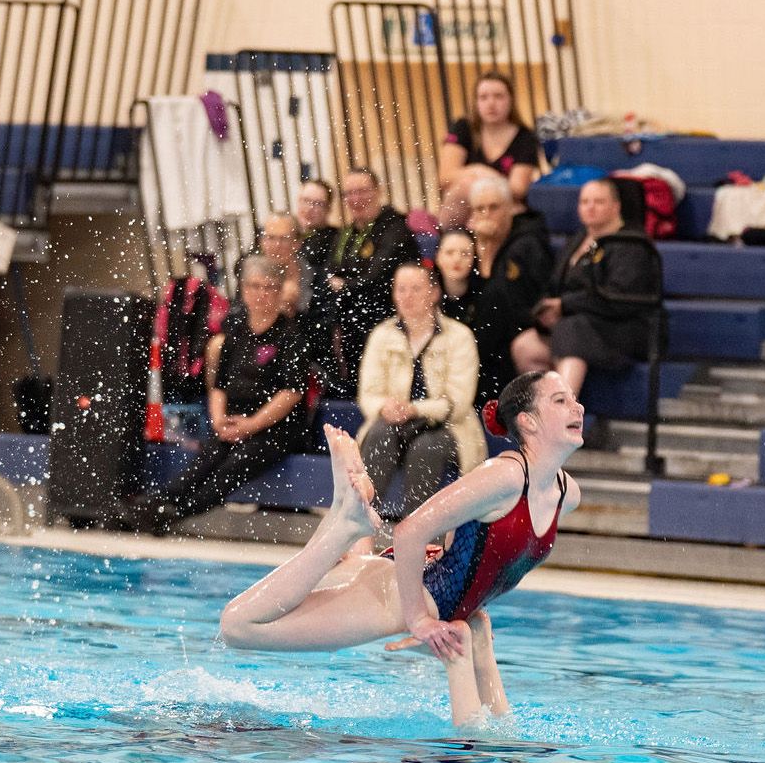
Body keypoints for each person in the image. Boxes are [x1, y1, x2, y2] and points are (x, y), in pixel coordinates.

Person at [220, 370, 585, 728]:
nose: (577, 407)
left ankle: (348, 526)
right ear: (528, 422)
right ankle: (344, 525)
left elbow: (480, 544)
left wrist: (471, 608)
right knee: (239, 627)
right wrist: (419, 620)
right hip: (407, 594)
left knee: (344, 574)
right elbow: (409, 531)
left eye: (573, 398)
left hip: (433, 586)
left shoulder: (565, 494)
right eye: (560, 400)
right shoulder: (503, 477)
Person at [116, 256, 307, 535]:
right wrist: (219, 421)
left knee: (233, 465)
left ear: (279, 293)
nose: (261, 294)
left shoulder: (291, 338)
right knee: (206, 460)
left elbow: (290, 394)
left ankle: (174, 514)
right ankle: (157, 503)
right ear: (243, 289)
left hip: (275, 429)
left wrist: (252, 425)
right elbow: (219, 386)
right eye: (255, 287)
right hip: (234, 422)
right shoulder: (236, 332)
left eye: (268, 288)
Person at [512, 178, 664, 399]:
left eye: (599, 202)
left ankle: (563, 417)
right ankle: (543, 408)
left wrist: (565, 306)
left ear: (616, 206)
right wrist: (547, 309)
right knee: (525, 346)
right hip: (579, 326)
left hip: (622, 329)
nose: (590, 207)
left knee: (572, 333)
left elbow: (619, 298)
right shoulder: (578, 239)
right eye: (584, 202)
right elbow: (555, 286)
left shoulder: (632, 244)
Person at [358, 263, 486, 522]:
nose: (407, 297)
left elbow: (459, 402)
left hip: (448, 426)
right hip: (394, 422)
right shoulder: (382, 335)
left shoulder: (459, 336)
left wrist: (416, 409)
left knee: (426, 447)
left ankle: (419, 535)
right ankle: (358, 525)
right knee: (379, 433)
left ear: (434, 292)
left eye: (415, 289)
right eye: (401, 289)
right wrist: (385, 407)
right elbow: (368, 394)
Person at [310, 168, 416, 396]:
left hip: (385, 313)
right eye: (349, 193)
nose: (355, 199)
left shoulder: (394, 228)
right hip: (349, 313)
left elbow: (376, 279)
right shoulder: (346, 233)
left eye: (362, 191)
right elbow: (329, 273)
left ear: (378, 192)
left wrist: (345, 284)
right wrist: (345, 282)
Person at [461, 176, 553, 403]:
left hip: (521, 329)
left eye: (493, 207)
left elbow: (508, 300)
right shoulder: (471, 244)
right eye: (479, 209)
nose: (486, 215)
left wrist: (488, 249)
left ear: (510, 208)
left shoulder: (527, 243)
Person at [437, 72, 544, 227]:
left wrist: (481, 175)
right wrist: (478, 171)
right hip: (465, 209)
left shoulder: (525, 137)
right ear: (476, 102)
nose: (491, 103)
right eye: (484, 97)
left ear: (511, 100)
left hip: (505, 209)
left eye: (498, 96)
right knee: (465, 186)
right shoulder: (463, 128)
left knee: (472, 187)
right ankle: (446, 237)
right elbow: (445, 177)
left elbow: (517, 189)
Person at [432, 228, 483, 323]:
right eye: (449, 253)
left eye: (465, 254)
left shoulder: (484, 295)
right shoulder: (426, 295)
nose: (457, 259)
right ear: (437, 257)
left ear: (474, 259)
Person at [294, 178, 339, 282]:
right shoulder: (286, 235)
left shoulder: (336, 238)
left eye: (318, 203)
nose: (310, 208)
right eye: (306, 200)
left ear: (328, 209)